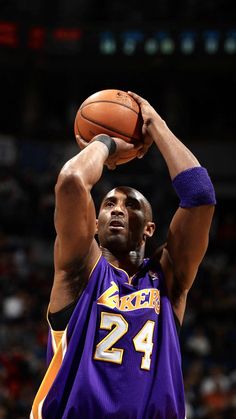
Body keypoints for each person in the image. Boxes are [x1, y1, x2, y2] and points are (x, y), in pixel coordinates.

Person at [30, 91, 216, 419]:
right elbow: (72, 180)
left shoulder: (167, 281)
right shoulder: (78, 273)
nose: (118, 209)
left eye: (131, 205)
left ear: (149, 228)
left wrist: (154, 125)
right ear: (96, 225)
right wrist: (106, 142)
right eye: (109, 204)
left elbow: (199, 195)